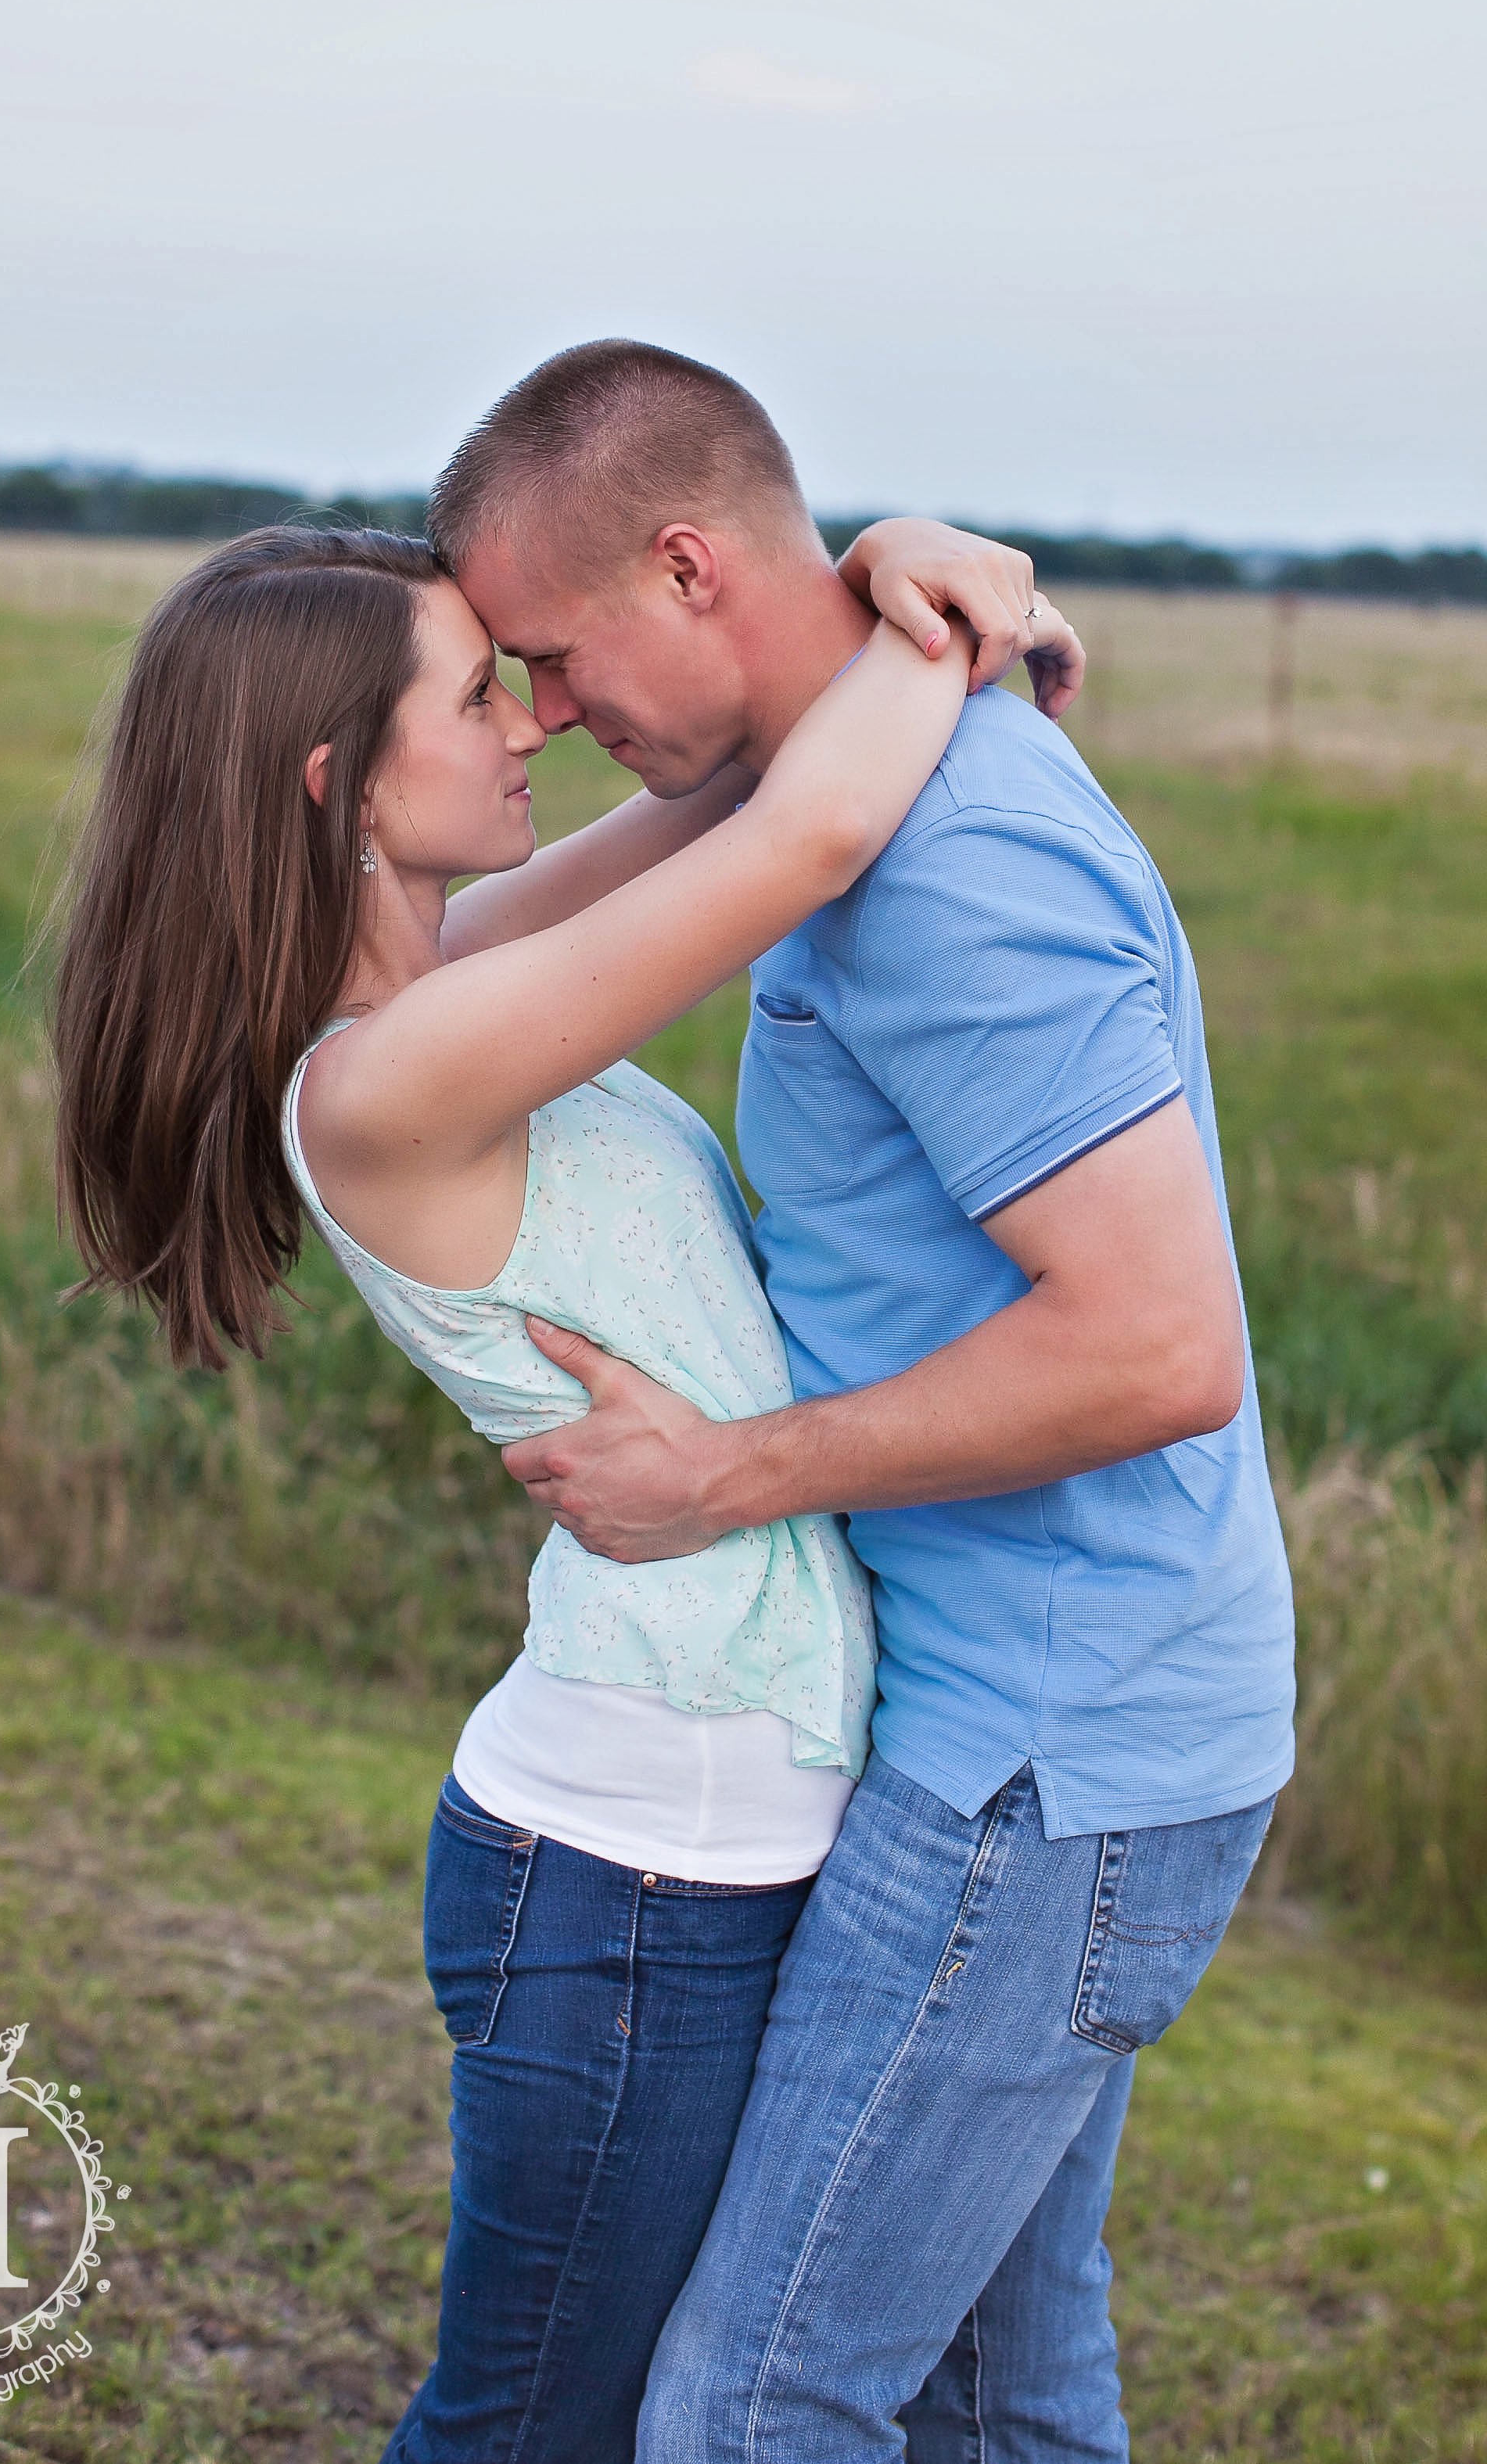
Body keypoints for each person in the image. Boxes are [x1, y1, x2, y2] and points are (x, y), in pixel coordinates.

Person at [47, 505, 1055, 2462]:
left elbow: (742, 779)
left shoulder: (453, 981)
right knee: (534, 2425)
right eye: (477, 691)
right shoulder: (383, 1080)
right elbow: (807, 839)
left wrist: (885, 563)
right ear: (341, 774)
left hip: (695, 1827)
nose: (533, 724)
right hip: (627, 1875)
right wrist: (949, 634)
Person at [429, 339, 1298, 2463]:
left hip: (1044, 1755)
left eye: (552, 652)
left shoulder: (956, 861)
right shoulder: (848, 798)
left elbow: (1154, 1344)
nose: (544, 713)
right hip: (1031, 1716)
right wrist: (920, 562)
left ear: (692, 570)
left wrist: (726, 1473)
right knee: (999, 2399)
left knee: (752, 2410)